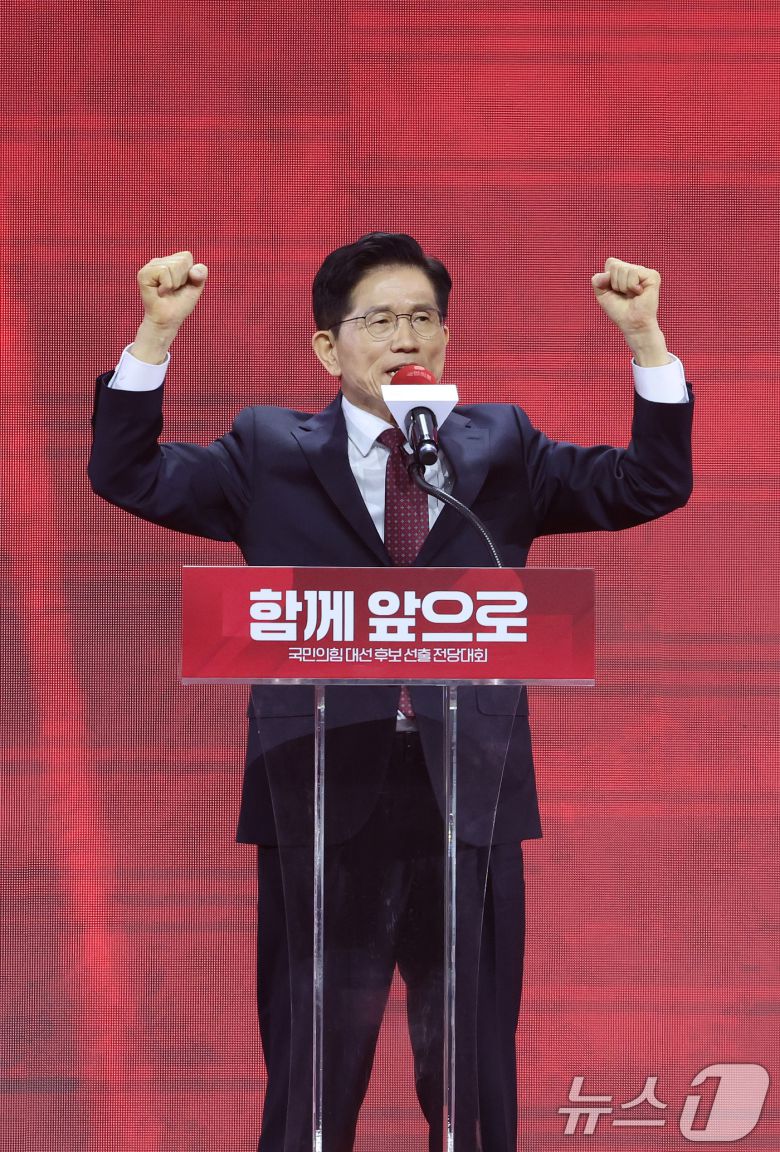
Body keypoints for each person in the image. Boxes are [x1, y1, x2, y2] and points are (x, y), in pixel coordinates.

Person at [88, 233, 693, 1151]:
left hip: (468, 798)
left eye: (423, 318)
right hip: (321, 795)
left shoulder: (502, 446)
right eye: (379, 319)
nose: (406, 336)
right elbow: (127, 475)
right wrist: (155, 335)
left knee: (472, 1076)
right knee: (313, 1074)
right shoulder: (267, 450)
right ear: (328, 348)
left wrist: (645, 340)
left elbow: (649, 483)